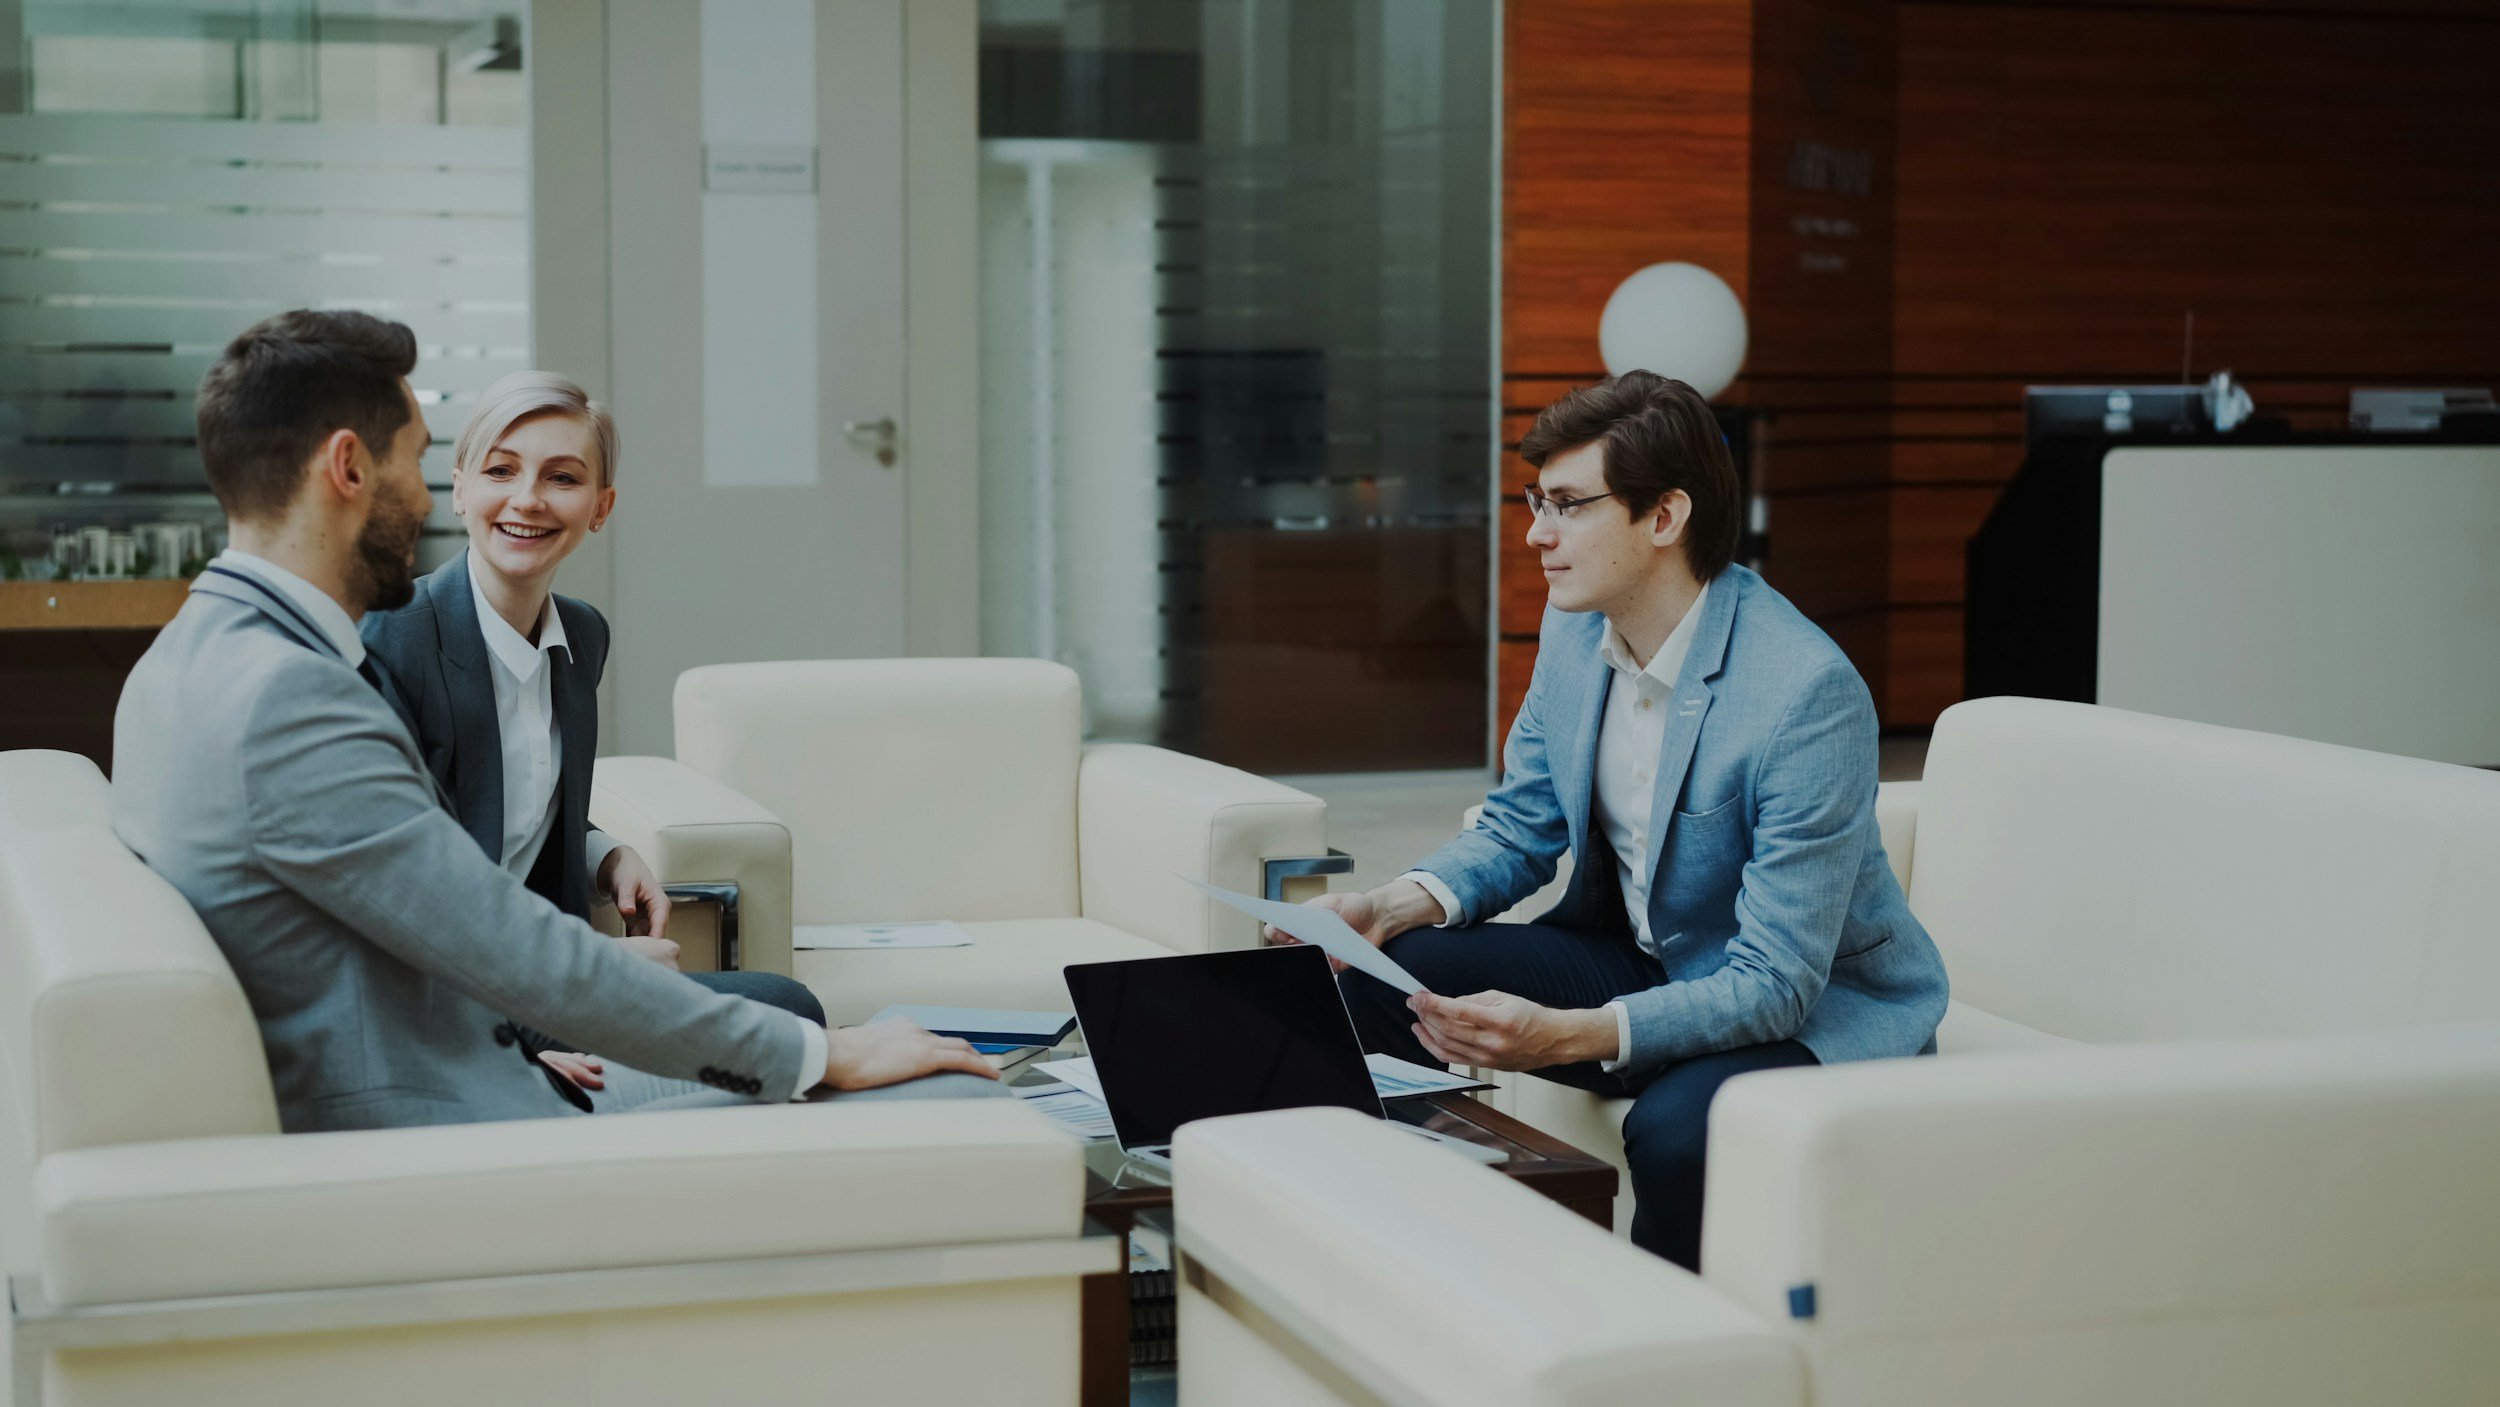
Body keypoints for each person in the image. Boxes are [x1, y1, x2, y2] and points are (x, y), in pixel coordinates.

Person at [112, 310, 996, 1131]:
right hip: (432, 1113)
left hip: (424, 1060)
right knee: (940, 1088)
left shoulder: (189, 660)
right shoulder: (290, 699)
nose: (426, 504)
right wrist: (826, 1057)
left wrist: (598, 860)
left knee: (865, 1050)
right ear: (348, 468)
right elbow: (504, 944)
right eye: (419, 464)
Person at [1287, 371, 1948, 1269]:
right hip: (1644, 951)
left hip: (1807, 1008)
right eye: (1535, 500)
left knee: (1678, 1131)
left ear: (1664, 517)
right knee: (1382, 973)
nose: (1536, 533)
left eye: (1566, 505)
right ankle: (1418, 1257)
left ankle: (1659, 1351)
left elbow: (1776, 983)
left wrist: (1567, 1032)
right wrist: (1394, 904)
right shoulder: (1574, 629)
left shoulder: (1804, 693)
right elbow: (1522, 826)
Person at [360, 371, 821, 1109]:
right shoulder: (396, 637)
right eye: (501, 469)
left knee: (788, 1004)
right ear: (460, 488)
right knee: (790, 1032)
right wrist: (596, 968)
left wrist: (601, 853)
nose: (528, 499)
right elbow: (404, 888)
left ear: (601, 507)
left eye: (562, 477)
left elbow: (508, 801)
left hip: (542, 980)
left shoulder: (581, 635)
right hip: (450, 1000)